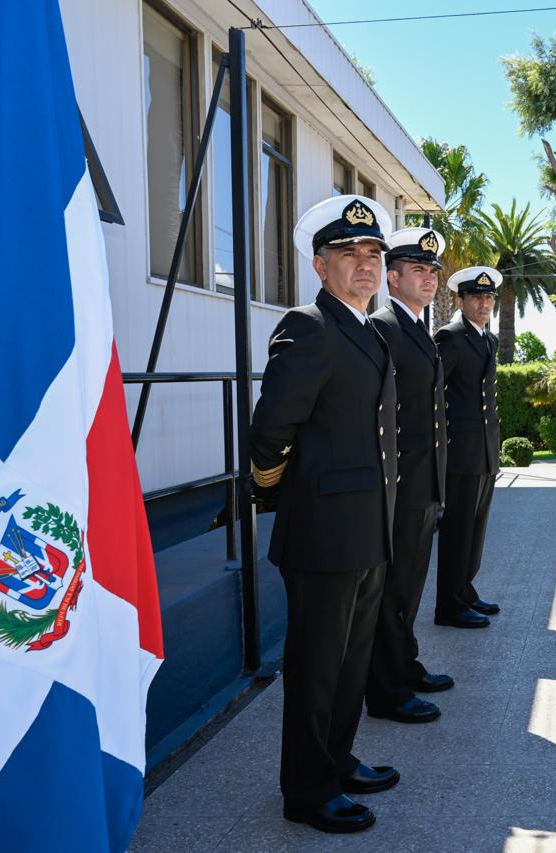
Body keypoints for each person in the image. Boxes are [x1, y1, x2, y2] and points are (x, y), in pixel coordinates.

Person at [251, 195, 401, 833]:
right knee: (316, 668)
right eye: (348, 253)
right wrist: (279, 491)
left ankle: (337, 760)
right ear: (320, 264)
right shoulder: (309, 325)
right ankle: (308, 791)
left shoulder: (366, 328)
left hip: (367, 526)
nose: (365, 265)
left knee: (351, 661)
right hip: (323, 530)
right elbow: (271, 429)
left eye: (373, 254)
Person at [364, 227, 454, 726]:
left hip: (422, 484)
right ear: (392, 278)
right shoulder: (385, 328)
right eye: (418, 270)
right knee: (392, 592)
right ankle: (387, 691)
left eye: (432, 270)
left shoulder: (416, 327)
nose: (429, 278)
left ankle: (404, 663)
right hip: (398, 488)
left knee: (409, 588)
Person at [434, 267, 503, 629]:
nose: (484, 303)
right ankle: (448, 606)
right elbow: (432, 394)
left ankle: (465, 590)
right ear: (460, 301)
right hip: (460, 452)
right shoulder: (451, 337)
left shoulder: (488, 340)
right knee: (457, 532)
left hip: (485, 451)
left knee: (476, 529)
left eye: (489, 297)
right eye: (476, 296)